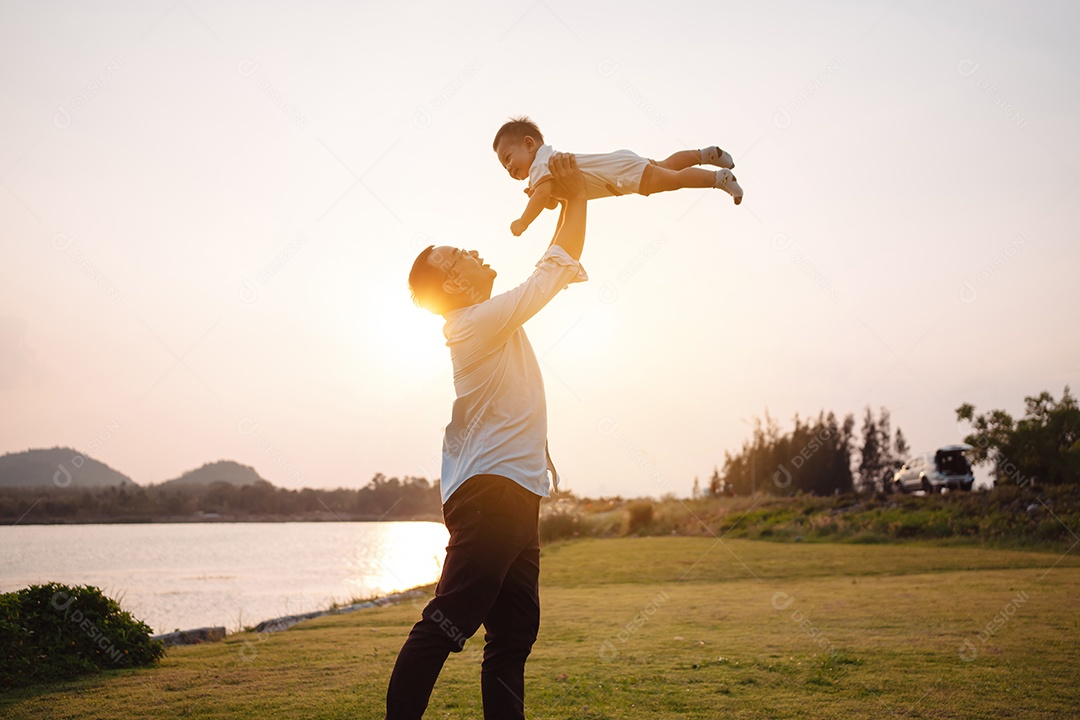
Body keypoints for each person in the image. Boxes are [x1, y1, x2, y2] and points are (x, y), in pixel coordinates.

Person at [387, 153, 589, 720]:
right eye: (459, 255)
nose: (474, 252)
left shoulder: (490, 321)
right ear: (453, 282)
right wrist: (578, 194)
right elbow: (554, 268)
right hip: (491, 493)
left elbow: (553, 268)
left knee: (515, 634)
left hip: (515, 493)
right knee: (448, 622)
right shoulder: (475, 322)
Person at [494, 115, 743, 237]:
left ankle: (718, 179)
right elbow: (550, 200)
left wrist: (523, 221)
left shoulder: (540, 164)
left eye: (508, 158)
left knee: (673, 181)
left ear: (528, 144)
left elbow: (542, 198)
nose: (509, 169)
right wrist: (541, 196)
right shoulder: (546, 162)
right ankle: (705, 154)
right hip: (620, 163)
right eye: (504, 168)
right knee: (667, 165)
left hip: (621, 175)